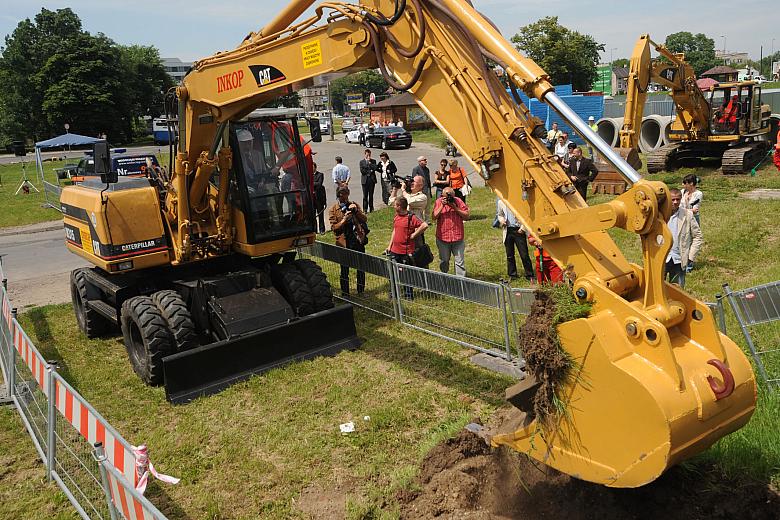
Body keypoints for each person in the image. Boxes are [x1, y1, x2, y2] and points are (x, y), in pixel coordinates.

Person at [386, 197, 428, 297]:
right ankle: (393, 293)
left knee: (406, 274)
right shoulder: (396, 217)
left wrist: (414, 235)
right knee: (392, 273)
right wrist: (389, 246)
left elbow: (424, 225)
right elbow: (395, 231)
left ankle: (409, 294)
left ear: (400, 206)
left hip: (405, 251)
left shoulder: (411, 217)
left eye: (395, 205)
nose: (393, 206)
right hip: (394, 250)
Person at [329, 186, 368, 295]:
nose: (345, 197)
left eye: (347, 193)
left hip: (357, 240)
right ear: (338, 195)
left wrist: (356, 212)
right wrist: (344, 220)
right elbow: (334, 228)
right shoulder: (333, 209)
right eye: (343, 194)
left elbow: (364, 219)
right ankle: (345, 293)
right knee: (344, 269)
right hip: (344, 243)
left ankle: (361, 291)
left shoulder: (353, 204)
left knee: (361, 267)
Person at [664, 188, 703, 289]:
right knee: (657, 289)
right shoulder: (660, 215)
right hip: (662, 259)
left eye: (678, 199)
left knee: (678, 292)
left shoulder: (687, 214)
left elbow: (697, 236)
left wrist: (691, 256)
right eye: (672, 200)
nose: (675, 202)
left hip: (679, 259)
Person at [432, 187, 470, 277]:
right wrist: (442, 206)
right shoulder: (438, 201)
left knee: (459, 262)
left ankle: (460, 283)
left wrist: (455, 208)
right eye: (447, 196)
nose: (449, 198)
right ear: (443, 196)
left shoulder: (458, 201)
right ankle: (445, 278)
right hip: (443, 238)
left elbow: (467, 216)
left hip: (457, 238)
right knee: (444, 261)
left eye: (451, 196)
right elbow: (434, 217)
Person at [496, 199, 534, 281]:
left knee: (524, 254)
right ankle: (512, 274)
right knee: (510, 255)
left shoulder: (518, 201)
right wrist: (502, 221)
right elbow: (500, 214)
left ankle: (530, 274)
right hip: (508, 230)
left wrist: (523, 228)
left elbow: (526, 215)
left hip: (519, 230)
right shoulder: (501, 202)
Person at [312, 162, 327, 233]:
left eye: (313, 167)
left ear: (315, 167)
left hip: (319, 198)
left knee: (320, 215)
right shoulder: (309, 175)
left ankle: (322, 229)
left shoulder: (320, 175)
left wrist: (312, 183)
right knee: (313, 216)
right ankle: (315, 230)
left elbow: (319, 184)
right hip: (312, 199)